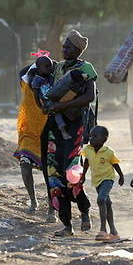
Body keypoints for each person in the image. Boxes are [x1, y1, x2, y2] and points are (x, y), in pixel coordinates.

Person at [42, 30, 98, 237]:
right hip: (54, 126)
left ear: (77, 49)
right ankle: (67, 224)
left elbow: (89, 97)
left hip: (75, 126)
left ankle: (84, 211)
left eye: (67, 46)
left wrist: (62, 105)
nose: (64, 49)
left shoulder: (86, 68)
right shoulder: (57, 68)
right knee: (54, 173)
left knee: (72, 173)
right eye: (63, 46)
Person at [14, 54, 52, 216]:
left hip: (48, 131)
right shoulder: (26, 82)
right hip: (28, 131)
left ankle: (52, 206)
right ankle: (33, 200)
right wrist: (36, 65)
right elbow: (23, 71)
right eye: (45, 67)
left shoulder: (51, 84)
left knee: (50, 171)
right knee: (24, 163)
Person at [80, 126, 124, 242]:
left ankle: (103, 230)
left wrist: (121, 175)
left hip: (107, 179)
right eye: (90, 136)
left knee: (101, 200)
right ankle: (114, 232)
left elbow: (115, 164)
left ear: (104, 139)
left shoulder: (108, 152)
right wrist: (83, 175)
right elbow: (87, 161)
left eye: (95, 136)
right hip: (97, 180)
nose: (91, 139)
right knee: (107, 203)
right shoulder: (88, 150)